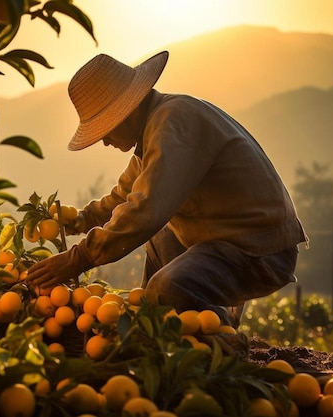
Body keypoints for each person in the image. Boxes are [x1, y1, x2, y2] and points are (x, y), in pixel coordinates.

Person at [26, 50, 308, 328]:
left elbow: (145, 209)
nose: (105, 141)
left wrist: (79, 258)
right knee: (158, 256)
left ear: (128, 111)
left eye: (106, 130)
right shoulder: (154, 130)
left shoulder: (173, 123)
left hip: (258, 250)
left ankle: (218, 333)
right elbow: (125, 195)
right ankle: (160, 326)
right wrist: (81, 220)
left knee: (164, 290)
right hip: (220, 241)